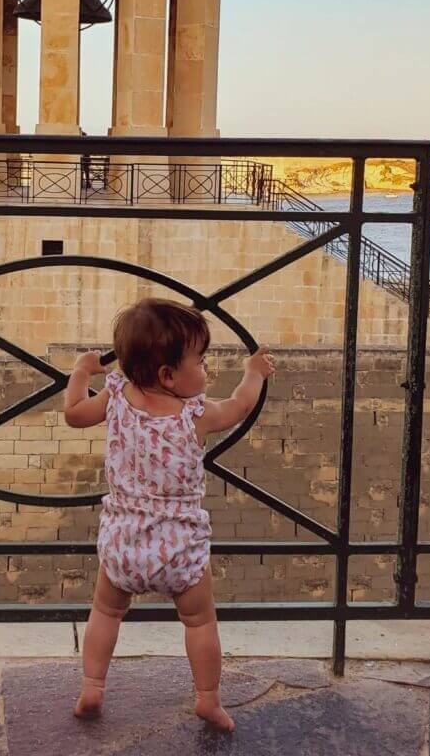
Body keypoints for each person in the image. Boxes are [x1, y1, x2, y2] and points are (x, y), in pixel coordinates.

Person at [63, 298, 275, 732]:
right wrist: (253, 373)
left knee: (105, 612)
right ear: (168, 375)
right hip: (180, 546)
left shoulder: (116, 396)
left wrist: (81, 372)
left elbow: (73, 414)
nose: (206, 369)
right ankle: (209, 699)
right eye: (200, 360)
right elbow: (239, 405)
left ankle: (91, 686)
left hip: (123, 539)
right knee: (199, 621)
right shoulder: (195, 415)